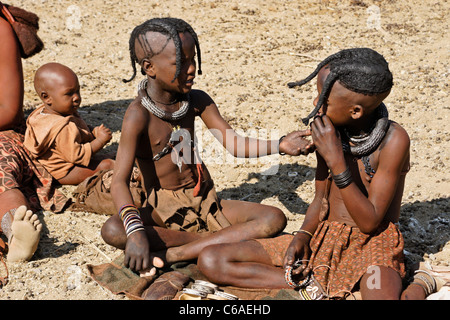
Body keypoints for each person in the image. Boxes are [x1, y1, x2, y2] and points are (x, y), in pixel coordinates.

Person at [197, 48, 439, 300]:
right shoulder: (328, 131)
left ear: (355, 111)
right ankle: (310, 286)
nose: (316, 103)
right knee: (212, 259)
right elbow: (320, 200)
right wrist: (302, 236)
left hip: (373, 245)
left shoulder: (393, 140)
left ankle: (422, 282)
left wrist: (336, 159)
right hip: (325, 237)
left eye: (323, 98)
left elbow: (369, 222)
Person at [101, 17, 313, 277]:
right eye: (181, 62)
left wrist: (280, 144)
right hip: (163, 210)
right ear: (149, 67)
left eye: (193, 59)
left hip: (205, 200)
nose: (191, 69)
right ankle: (219, 241)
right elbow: (119, 181)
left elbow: (234, 143)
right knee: (114, 229)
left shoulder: (196, 101)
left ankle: (174, 254)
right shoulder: (138, 115)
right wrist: (134, 232)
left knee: (273, 218)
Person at [0, 3, 70, 263]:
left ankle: (15, 232)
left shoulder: (1, 31)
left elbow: (9, 111)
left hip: (2, 132)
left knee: (0, 168)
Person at [23, 62, 115, 185]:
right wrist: (100, 141)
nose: (76, 97)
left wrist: (92, 131)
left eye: (78, 91)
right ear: (46, 97)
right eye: (69, 93)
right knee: (108, 165)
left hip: (69, 158)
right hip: (65, 171)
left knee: (113, 156)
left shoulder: (51, 111)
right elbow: (78, 156)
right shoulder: (61, 127)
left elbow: (78, 129)